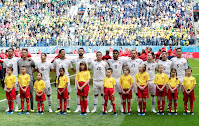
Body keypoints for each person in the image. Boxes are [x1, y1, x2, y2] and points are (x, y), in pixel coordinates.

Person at [71, 48, 91, 113]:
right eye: (79, 51)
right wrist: (72, 68)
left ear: (84, 52)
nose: (80, 52)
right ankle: (78, 107)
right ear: (78, 52)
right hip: (78, 79)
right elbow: (69, 62)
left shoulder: (86, 59)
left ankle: (86, 108)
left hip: (84, 81)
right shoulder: (75, 59)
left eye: (81, 51)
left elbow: (92, 63)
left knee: (85, 95)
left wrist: (89, 69)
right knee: (78, 95)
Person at [18, 48, 35, 112]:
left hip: (29, 79)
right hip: (22, 79)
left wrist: (31, 74)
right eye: (22, 52)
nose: (24, 54)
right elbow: (17, 69)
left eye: (25, 52)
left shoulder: (30, 61)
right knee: (22, 93)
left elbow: (35, 67)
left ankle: (31, 107)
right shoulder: (19, 61)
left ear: (27, 53)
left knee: (30, 92)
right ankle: (22, 107)